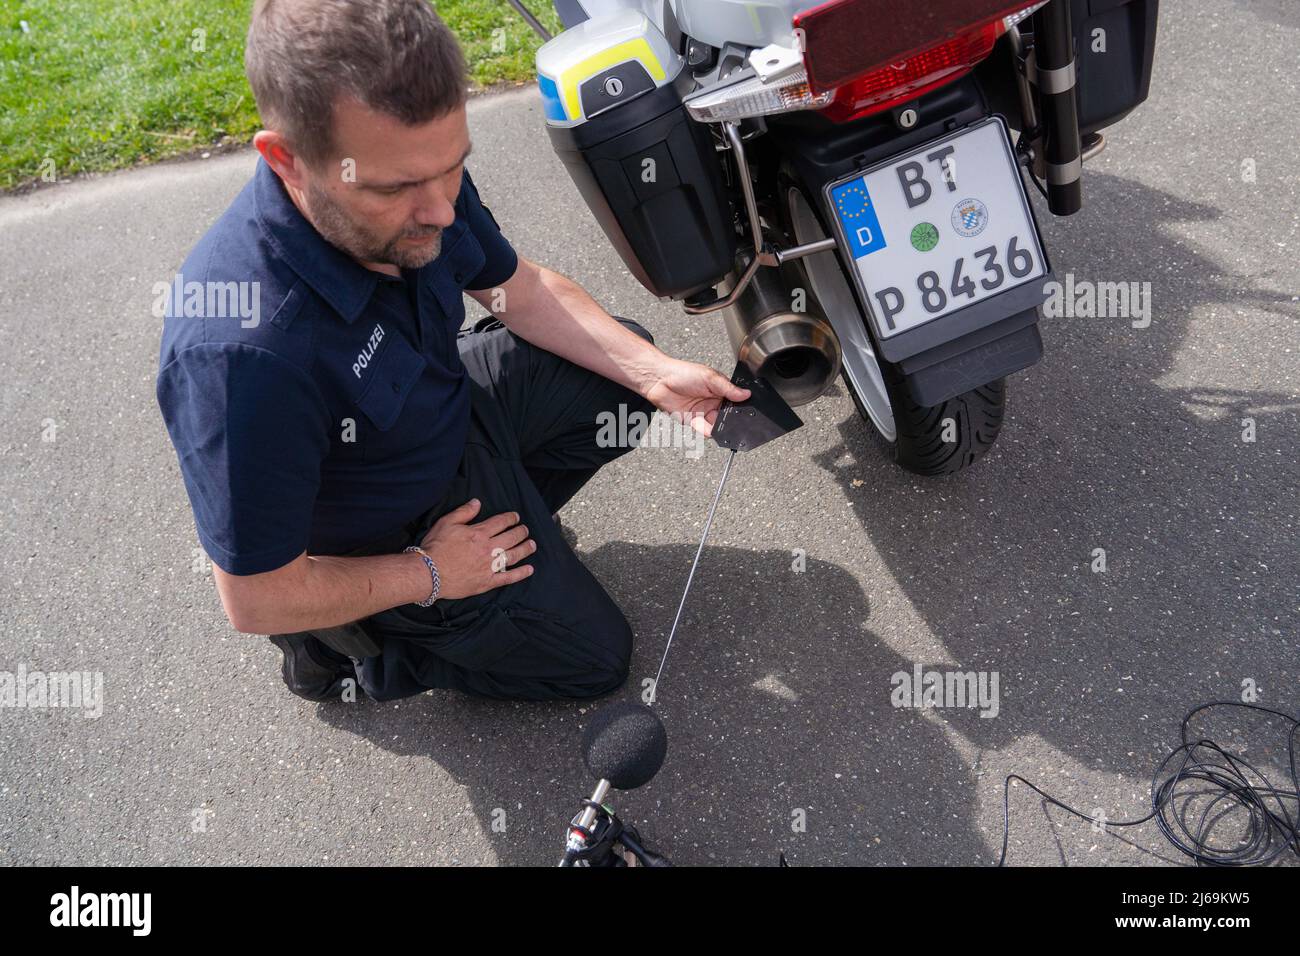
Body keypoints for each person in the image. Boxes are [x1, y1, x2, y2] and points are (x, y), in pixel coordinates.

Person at [155, 0, 748, 703]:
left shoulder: (419, 174)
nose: (439, 209)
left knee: (622, 374)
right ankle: (354, 644)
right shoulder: (244, 357)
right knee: (596, 660)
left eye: (452, 167)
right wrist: (433, 573)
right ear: (286, 160)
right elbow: (254, 597)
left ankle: (509, 548)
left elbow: (517, 291)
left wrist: (657, 377)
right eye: (398, 188)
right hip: (384, 535)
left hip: (443, 412)